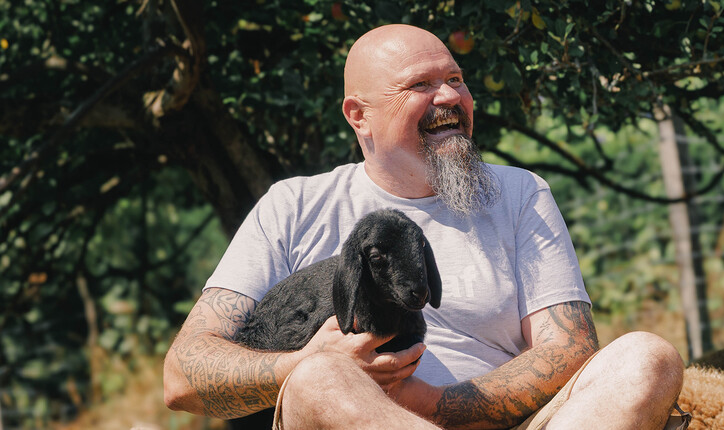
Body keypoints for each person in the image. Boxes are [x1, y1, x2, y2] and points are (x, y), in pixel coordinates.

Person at [163, 23, 686, 429]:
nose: (449, 97)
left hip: (515, 424)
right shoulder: (292, 205)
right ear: (358, 116)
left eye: (456, 79)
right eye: (420, 85)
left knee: (646, 357)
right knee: (318, 379)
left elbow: (568, 349)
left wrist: (436, 405)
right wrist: (296, 363)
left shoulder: (520, 193)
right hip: (348, 420)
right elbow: (182, 375)